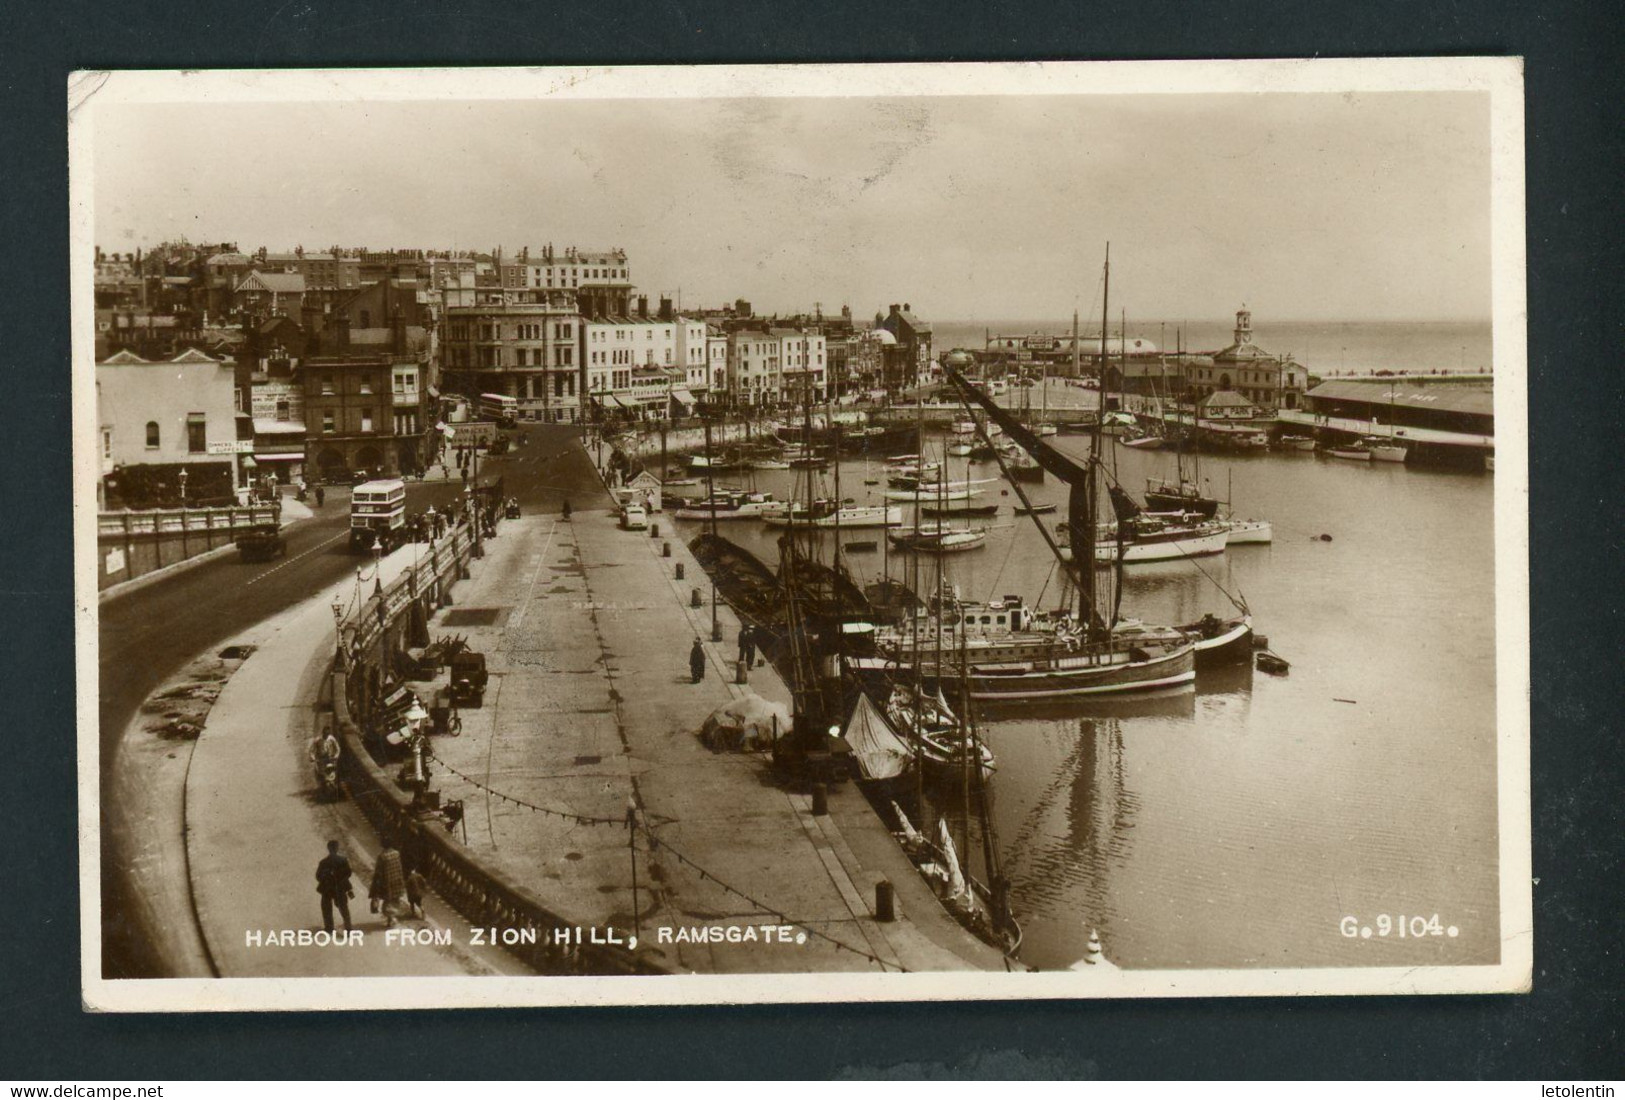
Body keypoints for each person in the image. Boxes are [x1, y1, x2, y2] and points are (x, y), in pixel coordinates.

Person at [315, 840, 355, 934]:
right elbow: (348, 873)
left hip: (327, 888)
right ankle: (348, 928)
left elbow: (318, 876)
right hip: (340, 887)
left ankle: (329, 927)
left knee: (326, 907)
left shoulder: (323, 862)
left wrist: (327, 879)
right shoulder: (343, 860)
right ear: (337, 848)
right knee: (343, 907)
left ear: (328, 849)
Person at [369, 837, 408, 928]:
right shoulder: (396, 853)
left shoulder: (382, 856)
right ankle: (392, 918)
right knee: (395, 900)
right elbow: (399, 868)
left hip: (387, 882)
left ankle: (390, 918)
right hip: (397, 880)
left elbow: (378, 872)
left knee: (387, 901)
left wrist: (375, 886)